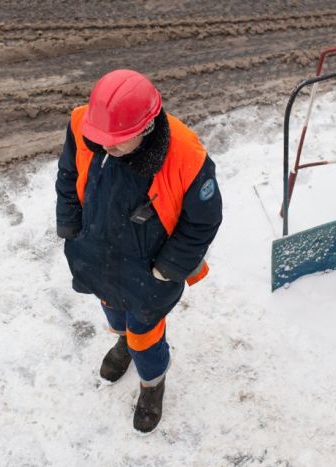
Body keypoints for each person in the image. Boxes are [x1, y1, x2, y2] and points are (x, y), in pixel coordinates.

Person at [55, 69, 222, 432]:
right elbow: (68, 175)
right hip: (98, 257)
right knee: (114, 316)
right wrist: (71, 228)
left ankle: (152, 383)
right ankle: (123, 345)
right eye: (99, 139)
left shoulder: (187, 156)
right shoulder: (87, 125)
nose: (104, 147)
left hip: (149, 273)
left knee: (146, 336)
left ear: (145, 129)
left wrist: (167, 269)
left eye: (116, 141)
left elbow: (203, 222)